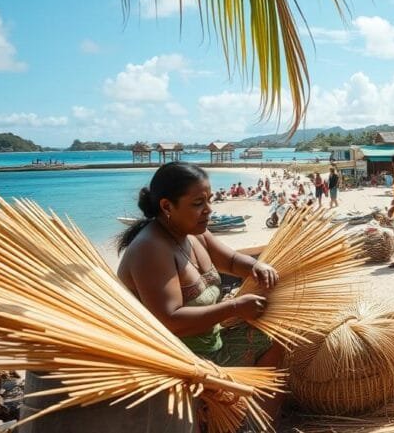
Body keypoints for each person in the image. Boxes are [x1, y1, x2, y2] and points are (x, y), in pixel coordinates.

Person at [114, 163, 286, 416]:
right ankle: (244, 421)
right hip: (180, 361)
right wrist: (235, 307)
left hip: (210, 344)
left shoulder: (193, 234)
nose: (208, 210)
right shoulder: (151, 249)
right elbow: (170, 320)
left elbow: (229, 261)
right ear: (166, 206)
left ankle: (256, 421)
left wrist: (256, 266)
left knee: (277, 336)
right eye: (197, 203)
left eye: (209, 200)